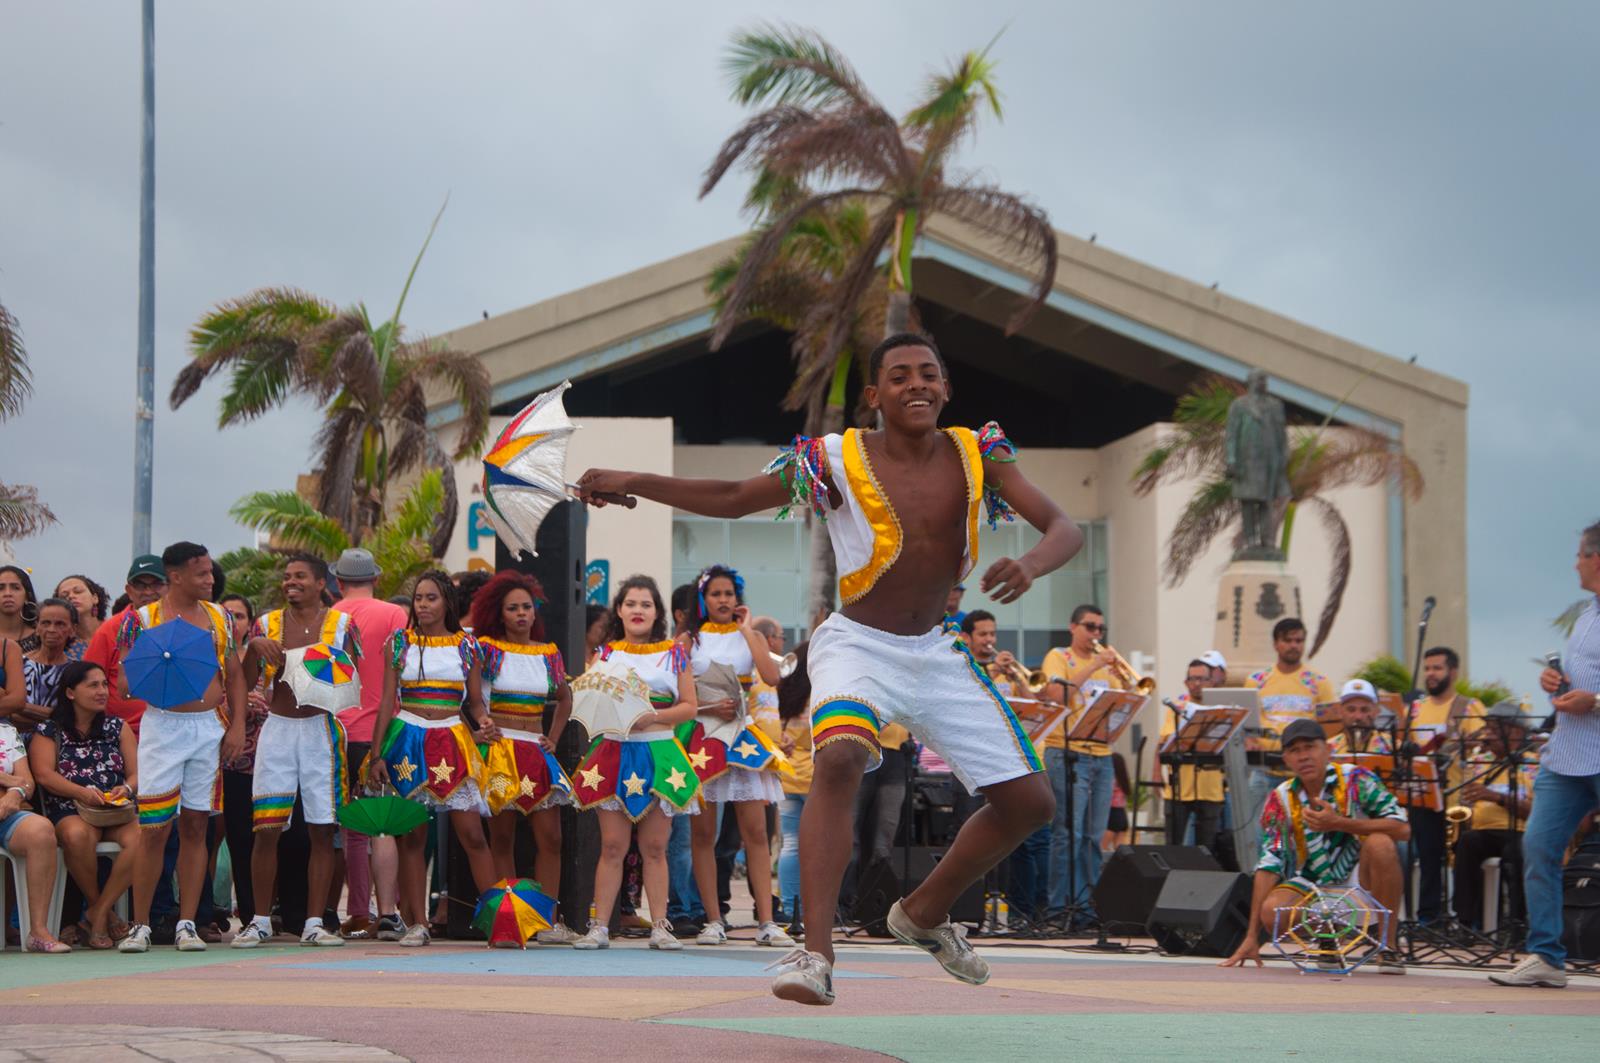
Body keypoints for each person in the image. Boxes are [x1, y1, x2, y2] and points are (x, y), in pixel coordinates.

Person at [576, 331, 1077, 1004]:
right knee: (839, 757)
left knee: (1031, 803)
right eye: (899, 376)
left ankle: (924, 911)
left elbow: (1064, 527)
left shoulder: (976, 451)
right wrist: (633, 480)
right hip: (857, 644)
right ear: (874, 395)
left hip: (937, 650)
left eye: (929, 373)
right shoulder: (836, 458)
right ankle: (815, 955)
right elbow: (734, 494)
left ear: (946, 387)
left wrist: (1032, 564)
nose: (917, 384)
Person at [115, 542, 246, 954]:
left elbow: (235, 674)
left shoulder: (220, 617)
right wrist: (163, 663)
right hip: (163, 727)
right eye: (201, 573)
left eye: (210, 571)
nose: (210, 579)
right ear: (175, 576)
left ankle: (187, 923)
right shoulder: (141, 620)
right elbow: (124, 683)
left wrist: (238, 726)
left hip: (208, 728)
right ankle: (141, 924)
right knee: (154, 828)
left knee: (196, 826)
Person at [1490, 521, 1600, 988]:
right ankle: (1547, 957)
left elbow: (1593, 695)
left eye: (1579, 555)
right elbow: (1580, 681)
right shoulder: (1586, 615)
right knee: (1537, 846)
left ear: (1597, 559)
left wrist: (1595, 701)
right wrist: (1554, 682)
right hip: (1567, 755)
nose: (1574, 564)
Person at [231, 554, 359, 949]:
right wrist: (254, 650)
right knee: (267, 828)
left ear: (321, 583)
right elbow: (247, 682)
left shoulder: (342, 625)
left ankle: (314, 923)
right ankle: (259, 920)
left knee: (322, 829)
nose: (291, 582)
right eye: (287, 576)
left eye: (300, 576)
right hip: (279, 729)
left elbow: (351, 679)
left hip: (322, 731)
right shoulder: (266, 624)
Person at [569, 575, 701, 951]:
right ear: (619, 610)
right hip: (615, 752)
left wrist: (651, 718)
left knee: (655, 848)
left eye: (646, 604)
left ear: (657, 612)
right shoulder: (607, 654)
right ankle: (599, 927)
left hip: (660, 753)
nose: (638, 610)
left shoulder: (673, 653)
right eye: (631, 604)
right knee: (612, 846)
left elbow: (689, 707)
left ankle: (660, 926)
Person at [365, 570, 497, 947]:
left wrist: (484, 722)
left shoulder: (466, 646)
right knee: (413, 838)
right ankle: (418, 923)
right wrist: (376, 754)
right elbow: (386, 702)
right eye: (418, 598)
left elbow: (475, 702)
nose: (422, 605)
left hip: (452, 740)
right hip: (408, 739)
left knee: (473, 834)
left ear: (447, 603)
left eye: (431, 598)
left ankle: (498, 920)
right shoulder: (399, 643)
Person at [1220, 718, 1410, 974]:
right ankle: (1327, 936)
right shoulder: (1281, 798)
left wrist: (1340, 823)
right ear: (1286, 759)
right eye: (1294, 750)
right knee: (1273, 912)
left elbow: (1402, 829)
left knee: (1381, 843)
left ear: (1327, 750)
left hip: (1361, 878)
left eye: (1310, 747)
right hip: (1314, 883)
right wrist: (1252, 935)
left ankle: (1387, 945)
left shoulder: (1356, 779)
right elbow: (1270, 862)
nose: (1303, 756)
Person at [676, 567, 793, 947]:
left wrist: (746, 631)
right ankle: (713, 919)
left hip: (742, 736)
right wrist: (709, 707)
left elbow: (772, 676)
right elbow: (677, 695)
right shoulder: (687, 640)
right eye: (716, 594)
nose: (723, 600)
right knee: (703, 834)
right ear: (703, 598)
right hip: (703, 737)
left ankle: (767, 922)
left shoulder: (751, 635)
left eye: (729, 593)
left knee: (756, 832)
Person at [470, 569, 579, 946]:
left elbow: (564, 698)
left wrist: (553, 738)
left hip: (535, 751)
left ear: (535, 612)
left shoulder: (548, 653)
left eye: (526, 607)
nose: (520, 614)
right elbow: (474, 697)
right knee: (502, 838)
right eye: (512, 608)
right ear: (499, 614)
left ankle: (546, 921)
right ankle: (509, 919)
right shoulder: (487, 648)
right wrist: (483, 721)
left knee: (551, 838)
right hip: (500, 750)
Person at [28, 660, 138, 948]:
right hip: (70, 807)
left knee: (144, 838)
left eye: (103, 684)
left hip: (115, 809)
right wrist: (81, 792)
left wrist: (126, 788)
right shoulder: (49, 729)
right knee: (77, 836)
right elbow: (44, 774)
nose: (102, 691)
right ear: (70, 693)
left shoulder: (117, 727)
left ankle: (98, 913)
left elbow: (137, 773)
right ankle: (101, 911)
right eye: (92, 685)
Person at [328, 548, 408, 941]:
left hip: (336, 728)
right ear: (375, 579)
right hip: (383, 730)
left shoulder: (329, 617)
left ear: (338, 582)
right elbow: (402, 668)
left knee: (349, 831)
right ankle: (391, 910)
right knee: (384, 825)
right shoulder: (394, 614)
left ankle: (357, 911)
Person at [1039, 605, 1125, 917]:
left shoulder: (1107, 666)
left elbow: (1121, 705)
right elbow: (1056, 695)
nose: (1096, 634)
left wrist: (1122, 680)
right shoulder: (1058, 656)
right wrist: (1095, 665)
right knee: (1067, 833)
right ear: (1073, 627)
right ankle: (1059, 908)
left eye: (1101, 629)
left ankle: (1087, 909)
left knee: (1093, 836)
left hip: (1102, 755)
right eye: (1090, 627)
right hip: (1067, 752)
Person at [1404, 646, 1484, 924]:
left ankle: (1466, 920)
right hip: (1424, 794)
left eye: (1437, 668)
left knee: (1461, 860)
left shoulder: (1469, 707)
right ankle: (1427, 918)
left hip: (1457, 797)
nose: (1431, 674)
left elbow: (1482, 746)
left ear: (1453, 672)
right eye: (1427, 668)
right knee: (1428, 858)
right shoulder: (1415, 709)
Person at [1453, 703, 1537, 931]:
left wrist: (1496, 797)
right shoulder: (1480, 764)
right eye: (1487, 728)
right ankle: (1466, 922)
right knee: (1466, 843)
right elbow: (1467, 801)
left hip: (1521, 832)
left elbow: (1536, 811)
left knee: (1515, 852)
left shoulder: (1533, 764)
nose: (1487, 735)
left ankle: (1517, 923)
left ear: (1516, 732)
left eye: (1495, 729)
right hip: (1484, 832)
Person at [1246, 618, 1336, 824]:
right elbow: (1247, 722)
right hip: (1265, 770)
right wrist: (1248, 739)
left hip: (1305, 772)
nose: (1294, 645)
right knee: (1258, 829)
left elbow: (1330, 727)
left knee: (1305, 828)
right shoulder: (1257, 681)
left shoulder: (1319, 682)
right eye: (1288, 640)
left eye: (1299, 641)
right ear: (1276, 644)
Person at [216, 594, 269, 931]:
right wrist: (233, 704)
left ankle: (274, 908)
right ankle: (247, 912)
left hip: (267, 758)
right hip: (229, 760)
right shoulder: (213, 656)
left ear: (250, 622)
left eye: (239, 615)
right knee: (237, 839)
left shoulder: (262, 654)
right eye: (227, 615)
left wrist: (262, 703)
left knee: (272, 834)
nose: (233, 622)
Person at [0, 731, 70, 952]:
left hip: (7, 812)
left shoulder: (7, 732)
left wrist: (15, 793)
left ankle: (38, 931)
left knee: (41, 831)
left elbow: (27, 783)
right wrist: (8, 779)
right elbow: (17, 780)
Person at [84, 555, 167, 735]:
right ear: (129, 590)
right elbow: (86, 684)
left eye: (156, 584)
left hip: (172, 729)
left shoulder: (180, 626)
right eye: (140, 585)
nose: (148, 591)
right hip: (123, 734)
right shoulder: (110, 630)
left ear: (169, 587)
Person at [1161, 652, 1228, 848]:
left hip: (1211, 788)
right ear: (1186, 682)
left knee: (1206, 849)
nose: (1197, 684)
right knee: (1173, 848)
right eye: (1193, 679)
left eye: (1202, 679)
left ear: (1211, 681)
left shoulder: (1220, 709)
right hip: (1179, 788)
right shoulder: (1176, 708)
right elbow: (1168, 740)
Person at [775, 642, 812, 928]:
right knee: (819, 847)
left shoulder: (783, 694)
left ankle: (789, 907)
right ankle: (815, 909)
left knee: (790, 844)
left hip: (786, 777)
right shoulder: (818, 696)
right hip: (815, 780)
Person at [20, 598, 77, 733]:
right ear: (37, 628)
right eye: (45, 623)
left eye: (60, 624)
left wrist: (20, 707)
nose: (51, 629)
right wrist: (50, 716)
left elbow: (70, 716)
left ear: (73, 630)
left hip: (57, 740)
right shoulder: (18, 663)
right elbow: (6, 709)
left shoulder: (75, 671)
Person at [1329, 679, 1393, 755]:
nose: (1358, 717)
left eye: (1365, 710)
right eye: (1351, 710)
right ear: (1340, 711)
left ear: (1376, 712)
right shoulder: (1329, 748)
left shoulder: (1392, 746)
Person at [54, 575, 109, 654]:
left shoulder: (117, 630)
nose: (71, 596)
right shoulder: (60, 645)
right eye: (64, 596)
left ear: (95, 598)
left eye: (78, 591)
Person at [0, 565, 38, 653]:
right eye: (0, 588)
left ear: (27, 596)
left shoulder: (42, 638)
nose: (7, 593)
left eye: (16, 588)